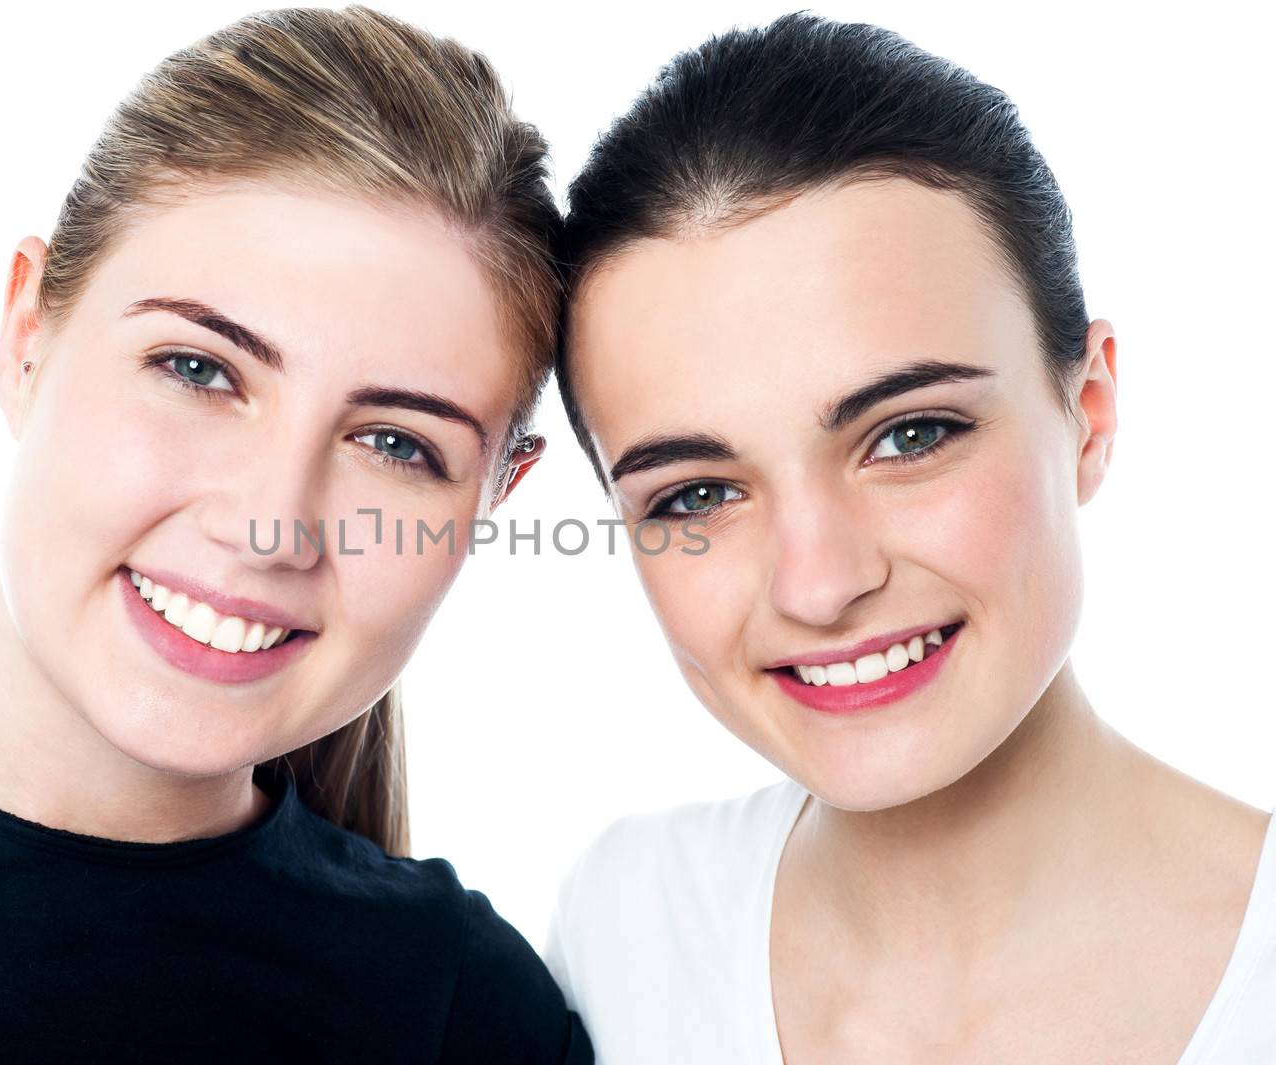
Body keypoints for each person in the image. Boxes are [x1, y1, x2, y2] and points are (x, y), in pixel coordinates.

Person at [0, 8, 590, 1063]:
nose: (268, 527)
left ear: (493, 498)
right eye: (198, 371)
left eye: (394, 442)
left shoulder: (470, 1014)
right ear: (27, 336)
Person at [544, 13, 1273, 1064]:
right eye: (696, 495)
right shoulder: (627, 933)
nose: (819, 583)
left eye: (909, 435)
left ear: (1091, 409)